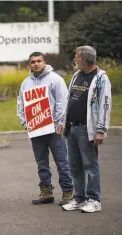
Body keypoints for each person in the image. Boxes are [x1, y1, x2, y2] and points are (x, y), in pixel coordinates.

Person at [17, 52, 74, 205]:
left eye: (38, 61)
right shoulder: (26, 83)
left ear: (44, 62)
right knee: (42, 163)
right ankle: (46, 193)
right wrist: (25, 123)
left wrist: (57, 123)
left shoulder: (55, 79)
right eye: (33, 62)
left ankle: (68, 192)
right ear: (30, 64)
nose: (36, 64)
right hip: (36, 130)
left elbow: (63, 102)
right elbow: (21, 104)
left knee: (61, 162)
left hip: (53, 130)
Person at [62, 46, 112, 213]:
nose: (75, 60)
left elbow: (105, 105)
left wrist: (101, 130)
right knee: (74, 166)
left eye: (76, 57)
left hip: (86, 129)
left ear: (84, 59)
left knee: (90, 166)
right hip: (72, 127)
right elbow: (70, 100)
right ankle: (80, 198)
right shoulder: (77, 75)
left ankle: (94, 200)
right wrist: (64, 122)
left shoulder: (100, 79)